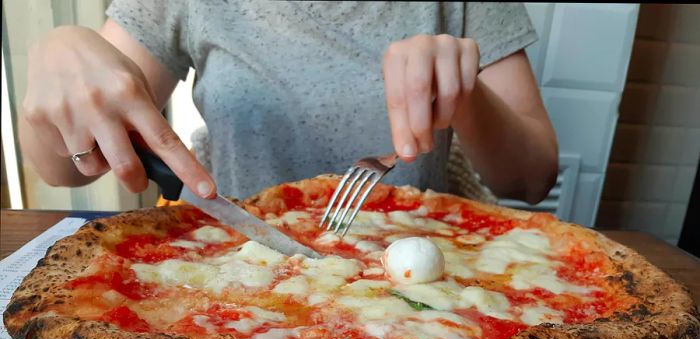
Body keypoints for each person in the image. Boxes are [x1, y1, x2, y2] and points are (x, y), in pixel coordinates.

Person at [19, 1, 557, 206]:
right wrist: (56, 53)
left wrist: (466, 99)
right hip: (238, 277)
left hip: (427, 287)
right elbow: (63, 171)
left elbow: (531, 181)